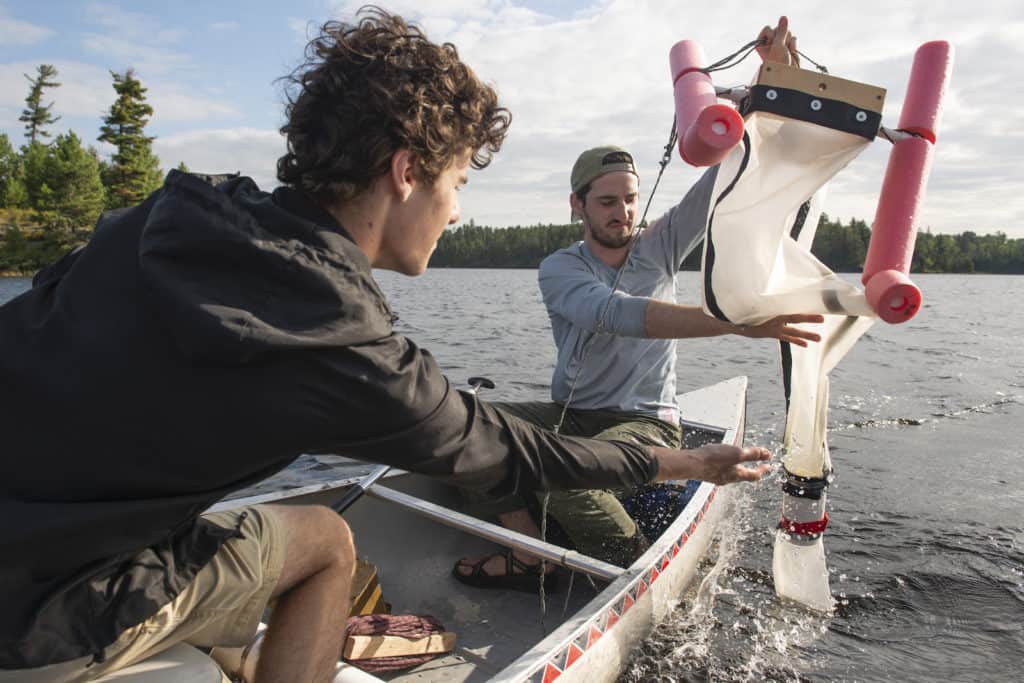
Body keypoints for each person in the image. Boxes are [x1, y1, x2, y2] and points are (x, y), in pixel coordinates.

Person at [0, 7, 774, 683]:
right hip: (46, 616)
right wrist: (686, 463)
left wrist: (762, 116)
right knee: (330, 542)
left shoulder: (169, 215)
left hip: (39, 550)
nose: (459, 212)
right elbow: (509, 452)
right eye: (459, 182)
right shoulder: (339, 338)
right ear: (407, 172)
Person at [454, 16, 815, 588]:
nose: (621, 211)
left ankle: (633, 567)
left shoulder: (661, 243)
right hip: (574, 416)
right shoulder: (560, 268)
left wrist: (773, 79)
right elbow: (616, 316)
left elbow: (730, 171)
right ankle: (531, 551)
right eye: (605, 202)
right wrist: (734, 324)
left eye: (628, 199)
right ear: (577, 205)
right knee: (458, 425)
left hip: (645, 424)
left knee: (560, 476)